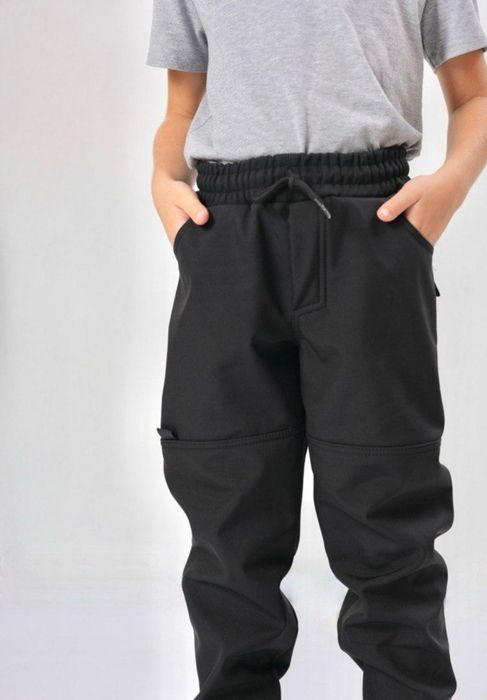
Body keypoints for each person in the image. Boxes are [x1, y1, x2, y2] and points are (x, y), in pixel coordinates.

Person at [146, 2, 487, 698]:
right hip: (226, 232)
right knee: (226, 509)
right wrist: (164, 182)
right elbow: (183, 103)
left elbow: (472, 93)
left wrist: (448, 188)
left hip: (371, 223)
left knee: (385, 506)